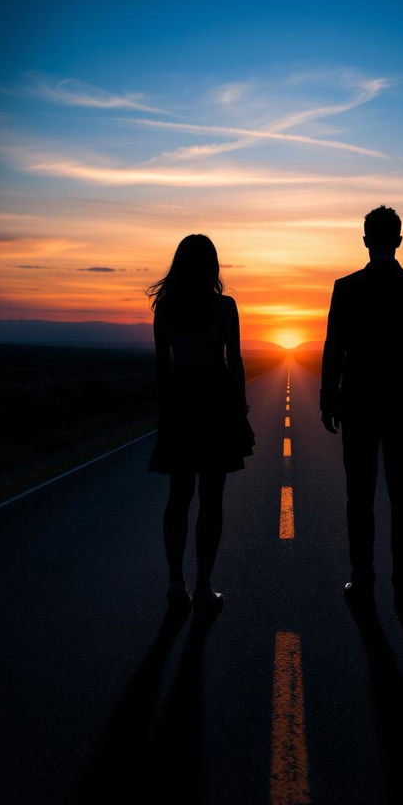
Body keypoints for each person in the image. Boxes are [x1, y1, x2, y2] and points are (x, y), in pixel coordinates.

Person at [320, 206, 403, 608]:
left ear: (367, 239)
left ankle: (363, 579)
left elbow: (333, 347)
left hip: (359, 403)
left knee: (360, 496)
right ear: (399, 240)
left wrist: (328, 398)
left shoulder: (347, 287)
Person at [147, 235, 254, 608]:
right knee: (211, 497)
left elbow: (162, 364)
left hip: (180, 398)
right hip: (215, 398)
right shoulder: (225, 307)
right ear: (213, 266)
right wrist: (240, 406)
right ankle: (205, 586)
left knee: (178, 496)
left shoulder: (166, 307)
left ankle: (176, 582)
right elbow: (235, 360)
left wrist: (164, 411)